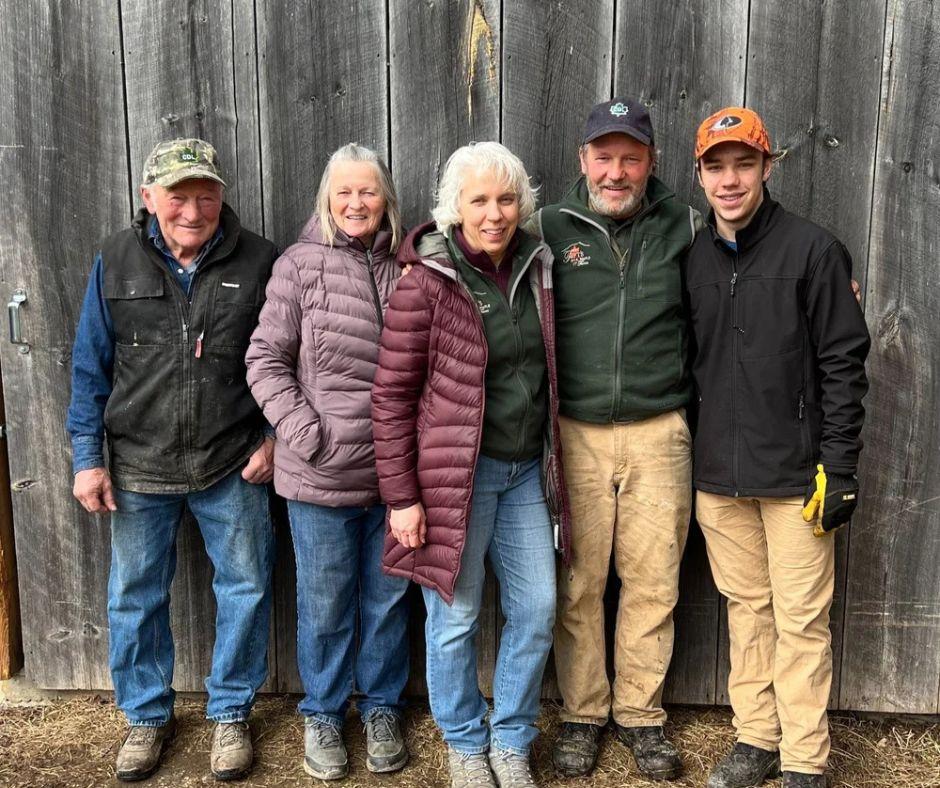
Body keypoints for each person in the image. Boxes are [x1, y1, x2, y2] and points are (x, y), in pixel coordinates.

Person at [66, 138, 277, 782]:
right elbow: (88, 367)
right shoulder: (115, 260)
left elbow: (286, 357)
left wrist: (273, 437)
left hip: (232, 461)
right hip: (138, 464)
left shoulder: (261, 259)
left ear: (221, 196)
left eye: (205, 194)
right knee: (135, 595)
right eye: (178, 196)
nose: (193, 209)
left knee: (245, 587)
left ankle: (232, 712)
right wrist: (87, 457)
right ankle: (146, 717)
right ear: (149, 197)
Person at [371, 141, 570, 788]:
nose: (494, 213)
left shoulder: (538, 266)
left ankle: (510, 739)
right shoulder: (427, 281)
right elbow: (392, 396)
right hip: (457, 479)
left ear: (523, 205)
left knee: (537, 608)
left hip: (522, 476)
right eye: (479, 199)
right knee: (454, 617)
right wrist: (402, 497)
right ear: (454, 206)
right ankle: (463, 742)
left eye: (506, 198)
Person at [685, 107, 870, 788]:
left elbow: (844, 361)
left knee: (800, 621)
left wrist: (840, 466)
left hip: (797, 476)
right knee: (748, 611)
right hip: (718, 478)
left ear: (768, 166)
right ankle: (756, 739)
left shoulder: (814, 251)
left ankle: (803, 761)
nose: (729, 180)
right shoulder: (693, 256)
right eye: (716, 166)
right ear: (699, 174)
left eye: (743, 163)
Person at [527, 98, 699, 780]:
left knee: (654, 582)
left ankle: (641, 716)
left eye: (631, 157)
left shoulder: (687, 225)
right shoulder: (546, 228)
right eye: (605, 156)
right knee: (579, 582)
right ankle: (582, 715)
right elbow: (471, 250)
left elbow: (753, 272)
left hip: (662, 431)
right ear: (582, 160)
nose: (617, 171)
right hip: (577, 434)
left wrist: (828, 286)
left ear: (651, 162)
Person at [245, 143, 411, 781]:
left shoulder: (410, 266)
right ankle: (323, 711)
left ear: (386, 199)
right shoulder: (300, 266)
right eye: (344, 192)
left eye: (368, 191)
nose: (356, 203)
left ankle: (382, 708)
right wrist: (302, 432)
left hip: (395, 479)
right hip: (319, 475)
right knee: (325, 602)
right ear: (327, 198)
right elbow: (264, 359)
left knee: (389, 602)